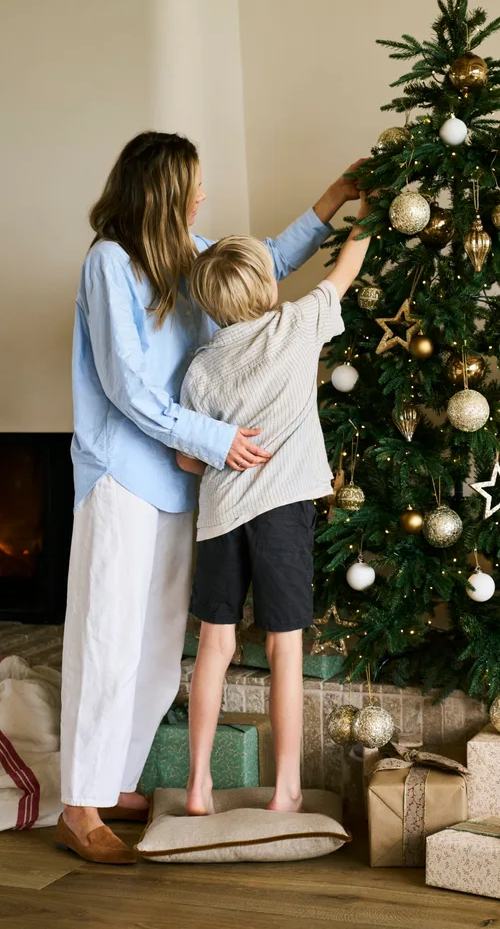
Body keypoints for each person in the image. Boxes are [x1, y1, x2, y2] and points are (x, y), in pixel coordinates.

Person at [56, 131, 363, 864]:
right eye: (193, 185)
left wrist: (332, 200)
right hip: (123, 475)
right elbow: (126, 385)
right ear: (160, 191)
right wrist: (219, 441)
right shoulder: (109, 264)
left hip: (186, 481)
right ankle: (77, 803)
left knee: (163, 647)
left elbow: (259, 264)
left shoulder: (186, 252)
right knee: (108, 639)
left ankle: (113, 779)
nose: (202, 195)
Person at [177, 194, 372, 817]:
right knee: (285, 646)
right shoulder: (295, 327)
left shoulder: (201, 365)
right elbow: (346, 266)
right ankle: (285, 788)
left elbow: (187, 458)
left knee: (216, 644)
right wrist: (369, 206)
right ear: (267, 288)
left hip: (219, 518)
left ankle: (199, 785)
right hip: (283, 511)